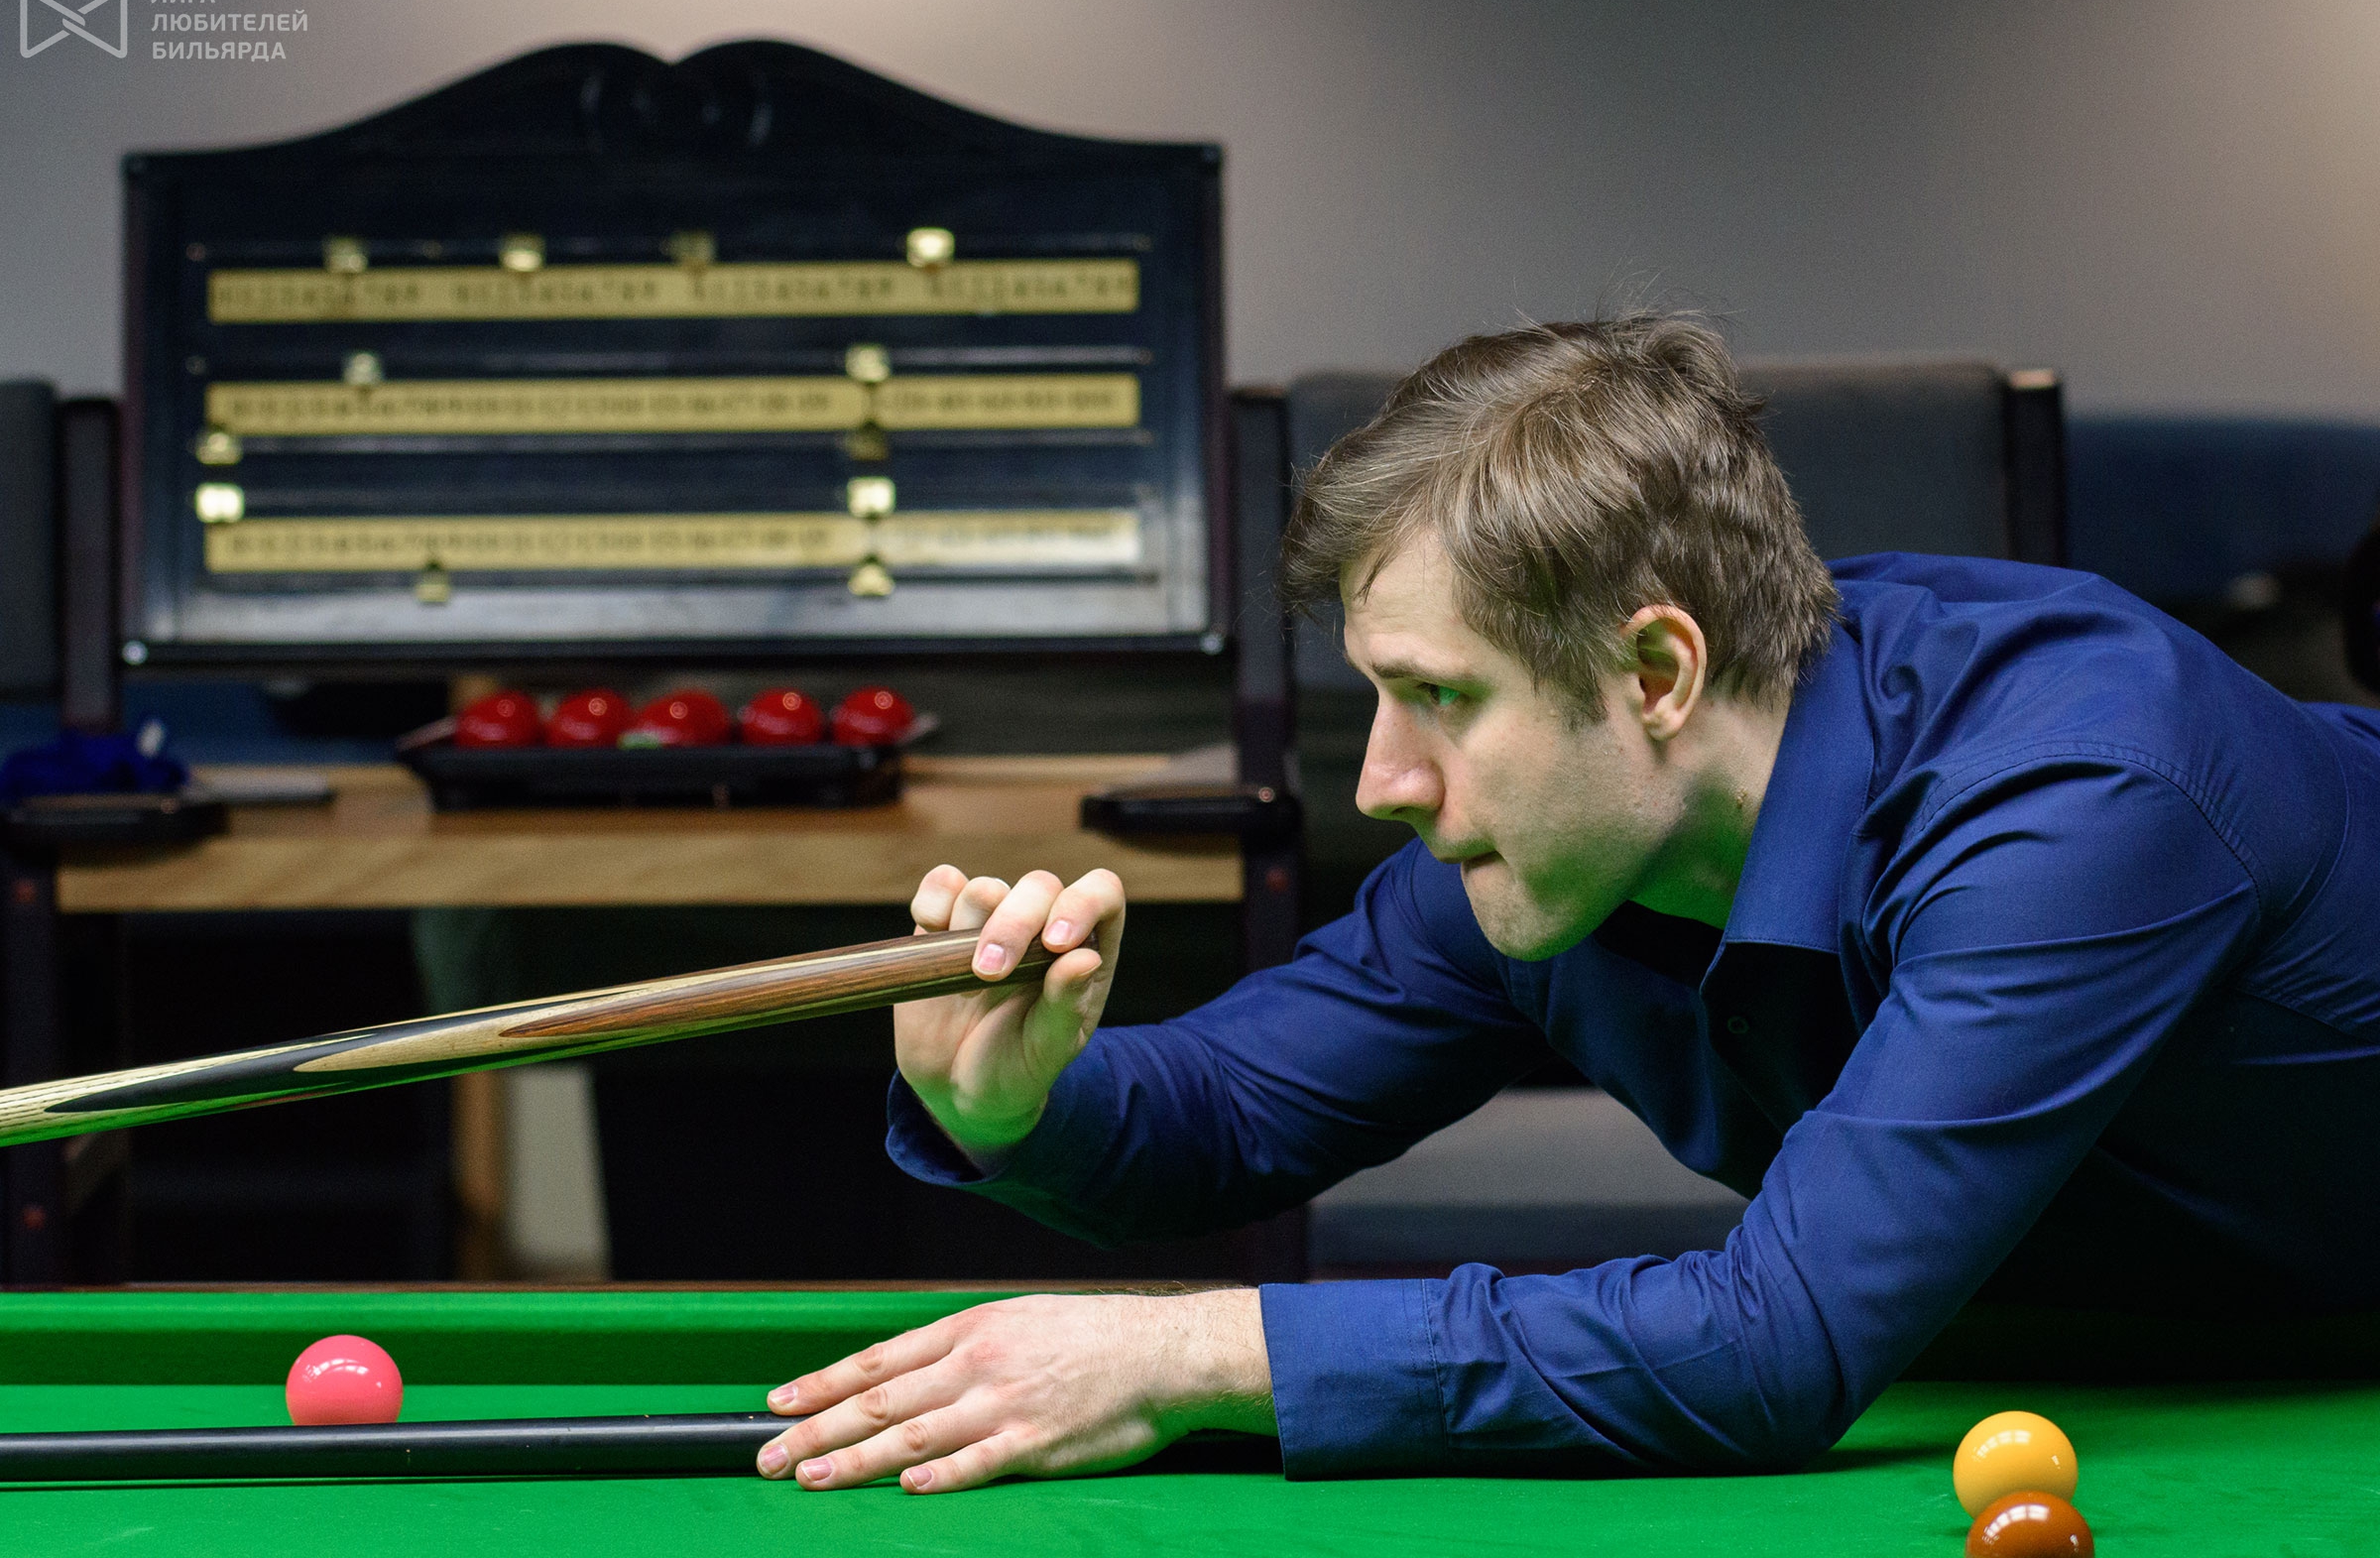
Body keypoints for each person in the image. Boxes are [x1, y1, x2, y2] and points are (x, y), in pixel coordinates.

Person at [754, 313, 2380, 1495]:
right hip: (2133, 1343)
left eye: (1439, 697)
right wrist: (1017, 1099)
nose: (1381, 782)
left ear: (1657, 671)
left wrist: (1190, 1355)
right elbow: (1230, 1112)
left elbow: (1774, 1343)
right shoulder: (1556, 851)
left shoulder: (2083, 792)